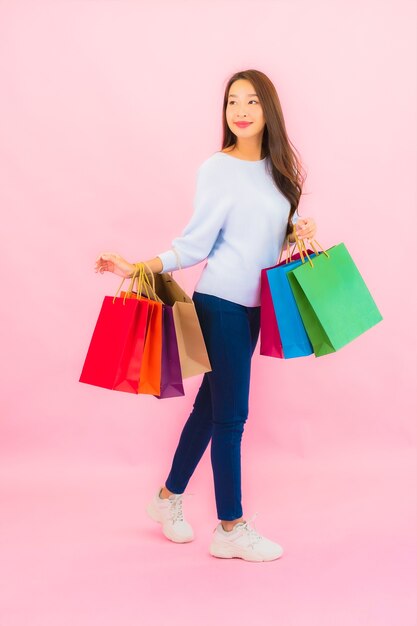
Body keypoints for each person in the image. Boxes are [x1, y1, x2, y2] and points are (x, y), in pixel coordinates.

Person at [95, 69, 317, 562]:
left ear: (268, 111)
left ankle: (167, 499)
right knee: (231, 419)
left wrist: (299, 228)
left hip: (255, 308)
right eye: (232, 101)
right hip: (220, 305)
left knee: (208, 411)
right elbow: (194, 245)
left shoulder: (280, 170)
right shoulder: (217, 168)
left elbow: (269, 230)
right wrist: (138, 266)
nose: (240, 110)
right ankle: (230, 527)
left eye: (252, 101)